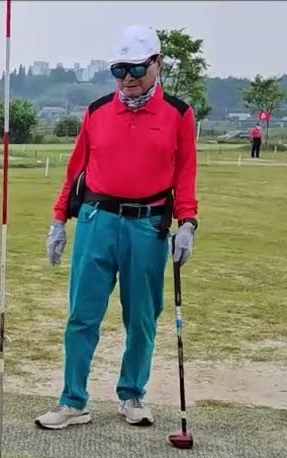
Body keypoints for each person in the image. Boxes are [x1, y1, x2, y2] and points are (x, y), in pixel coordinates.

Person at [39, 25, 198, 430]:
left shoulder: (178, 114)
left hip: (148, 225)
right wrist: (58, 220)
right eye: (119, 70)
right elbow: (75, 170)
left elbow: (185, 175)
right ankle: (73, 401)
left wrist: (187, 223)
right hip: (97, 221)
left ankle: (132, 394)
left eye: (137, 69)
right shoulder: (97, 111)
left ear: (157, 63)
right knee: (82, 314)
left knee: (142, 317)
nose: (128, 78)